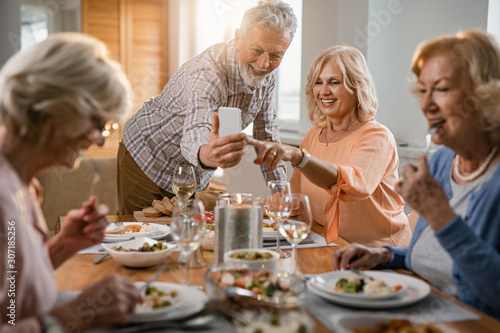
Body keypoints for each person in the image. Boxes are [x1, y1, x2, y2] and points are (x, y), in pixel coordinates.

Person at [331, 30, 500, 319]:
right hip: (415, 314)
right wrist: (384, 256)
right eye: (423, 90)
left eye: (442, 89)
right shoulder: (443, 162)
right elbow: (432, 257)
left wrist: (442, 219)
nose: (425, 104)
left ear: (485, 94)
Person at [0, 33, 142, 332]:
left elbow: (11, 294)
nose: (101, 139)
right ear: (61, 114)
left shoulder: (22, 184)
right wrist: (78, 314)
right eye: (100, 124)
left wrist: (64, 246)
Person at [118, 0, 298, 214]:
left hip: (193, 172)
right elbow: (196, 131)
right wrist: (208, 155)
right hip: (148, 155)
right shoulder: (208, 73)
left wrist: (280, 193)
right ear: (239, 38)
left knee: (188, 236)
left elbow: (267, 138)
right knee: (143, 238)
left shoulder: (267, 76)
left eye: (276, 55)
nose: (263, 64)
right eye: (257, 50)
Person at [248, 46, 411, 247]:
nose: (324, 91)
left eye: (334, 82)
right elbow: (293, 199)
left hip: (379, 252)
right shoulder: (314, 135)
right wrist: (244, 207)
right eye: (318, 82)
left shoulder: (377, 136)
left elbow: (350, 184)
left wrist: (300, 158)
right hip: (327, 244)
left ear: (357, 87)